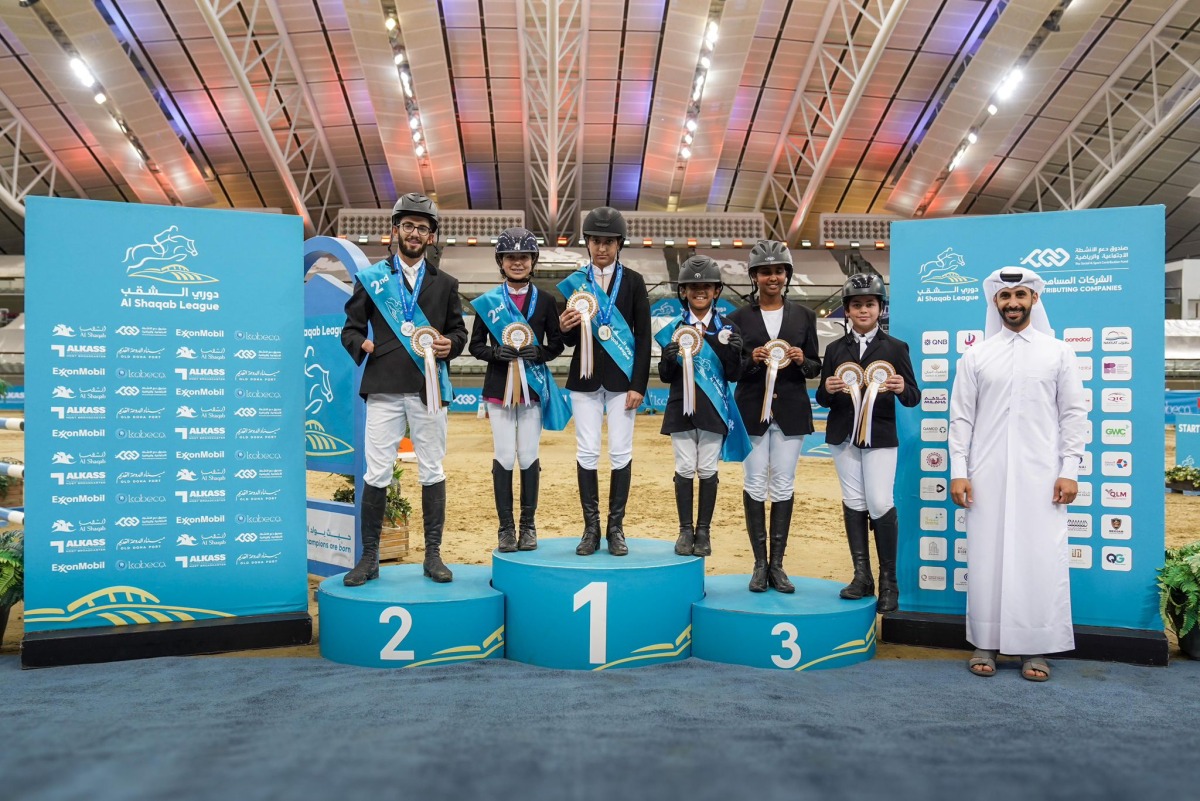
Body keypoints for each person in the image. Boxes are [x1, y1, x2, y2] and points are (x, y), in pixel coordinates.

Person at [950, 267, 1087, 682]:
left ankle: (1035, 647)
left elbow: (1074, 415)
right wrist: (959, 471)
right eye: (1005, 296)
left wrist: (1070, 470)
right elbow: (961, 420)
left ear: (1034, 300)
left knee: (1038, 558)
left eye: (1021, 295)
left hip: (1042, 476)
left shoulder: (1059, 352)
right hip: (985, 476)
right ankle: (986, 643)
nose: (1013, 303)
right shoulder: (976, 355)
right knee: (987, 556)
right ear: (995, 302)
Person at [340, 192, 468, 585]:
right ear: (395, 230)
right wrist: (358, 343)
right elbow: (351, 327)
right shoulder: (372, 280)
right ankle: (370, 558)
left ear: (432, 237)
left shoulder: (446, 284)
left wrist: (451, 344)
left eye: (423, 228)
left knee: (431, 468)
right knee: (377, 472)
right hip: (383, 384)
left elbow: (458, 331)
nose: (415, 233)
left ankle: (433, 555)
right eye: (408, 225)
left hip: (427, 386)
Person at [817, 273, 919, 611]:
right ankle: (862, 576)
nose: (863, 310)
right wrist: (828, 390)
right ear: (847, 310)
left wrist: (901, 387)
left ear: (880, 308)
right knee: (854, 501)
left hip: (880, 436)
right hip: (843, 435)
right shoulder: (834, 349)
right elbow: (823, 396)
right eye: (857, 304)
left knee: (878, 501)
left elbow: (913, 397)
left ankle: (889, 579)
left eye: (869, 304)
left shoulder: (895, 348)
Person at [557, 207, 652, 556]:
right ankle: (591, 529)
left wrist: (638, 384)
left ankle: (616, 528)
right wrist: (564, 327)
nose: (601, 248)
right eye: (596, 241)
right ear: (588, 243)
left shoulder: (634, 282)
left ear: (619, 244)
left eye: (608, 242)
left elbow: (643, 338)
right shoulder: (575, 283)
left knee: (620, 452)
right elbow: (567, 340)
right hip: (584, 381)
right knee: (586, 451)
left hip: (622, 383)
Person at [728, 240, 821, 592]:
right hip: (751, 409)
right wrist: (751, 361)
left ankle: (778, 566)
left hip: (792, 411)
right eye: (766, 271)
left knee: (782, 483)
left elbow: (815, 366)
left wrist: (801, 360)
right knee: (754, 483)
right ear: (754, 276)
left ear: (787, 275)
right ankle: (759, 564)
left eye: (779, 271)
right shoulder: (736, 319)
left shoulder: (804, 316)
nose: (773, 277)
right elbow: (731, 370)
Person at [469, 228, 569, 552]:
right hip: (499, 389)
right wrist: (495, 353)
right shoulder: (488, 303)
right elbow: (475, 346)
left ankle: (528, 526)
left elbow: (555, 344)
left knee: (528, 455)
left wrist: (539, 352)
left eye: (523, 257)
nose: (517, 262)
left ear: (532, 261)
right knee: (503, 457)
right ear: (501, 261)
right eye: (510, 257)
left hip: (533, 391)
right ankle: (505, 528)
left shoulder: (547, 301)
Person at [655, 255, 748, 558]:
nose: (699, 291)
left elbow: (733, 375)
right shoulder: (673, 328)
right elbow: (666, 376)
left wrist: (735, 355)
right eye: (693, 287)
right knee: (684, 467)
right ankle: (685, 530)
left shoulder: (728, 328)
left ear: (716, 291)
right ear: (683, 291)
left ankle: (703, 532)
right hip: (681, 405)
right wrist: (667, 358)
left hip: (713, 408)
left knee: (707, 468)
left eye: (706, 286)